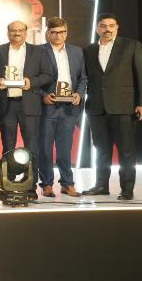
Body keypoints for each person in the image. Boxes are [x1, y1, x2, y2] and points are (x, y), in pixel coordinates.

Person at [82, 13, 142, 200]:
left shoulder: (131, 45)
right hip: (96, 108)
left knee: (126, 151)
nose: (108, 29)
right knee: (101, 150)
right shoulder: (88, 50)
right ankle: (101, 185)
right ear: (97, 28)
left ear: (117, 27)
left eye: (111, 25)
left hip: (124, 107)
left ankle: (127, 189)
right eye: (103, 26)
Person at [0, 21, 52, 194]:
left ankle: (30, 185)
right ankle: (8, 183)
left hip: (30, 106)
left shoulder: (38, 51)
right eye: (13, 30)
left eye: (20, 30)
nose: (16, 33)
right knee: (7, 147)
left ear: (26, 33)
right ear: (7, 32)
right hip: (7, 105)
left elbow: (47, 75)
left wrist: (31, 82)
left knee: (32, 147)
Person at [39, 17, 87, 197]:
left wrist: (79, 94)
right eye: (54, 32)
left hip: (69, 108)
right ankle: (46, 184)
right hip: (48, 108)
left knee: (65, 149)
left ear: (66, 33)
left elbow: (83, 78)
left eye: (61, 32)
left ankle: (67, 183)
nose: (58, 35)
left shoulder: (77, 51)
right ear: (48, 33)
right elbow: (33, 78)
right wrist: (43, 96)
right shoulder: (39, 51)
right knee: (45, 148)